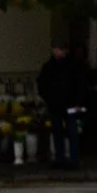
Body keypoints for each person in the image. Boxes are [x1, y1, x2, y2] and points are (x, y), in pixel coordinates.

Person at [34, 43, 84, 171]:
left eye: (61, 50)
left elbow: (79, 85)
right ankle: (59, 158)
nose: (59, 52)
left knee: (72, 132)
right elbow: (42, 85)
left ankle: (73, 159)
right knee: (57, 132)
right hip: (55, 104)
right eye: (57, 50)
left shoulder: (71, 66)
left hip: (70, 104)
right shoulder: (48, 67)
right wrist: (49, 99)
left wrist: (78, 102)